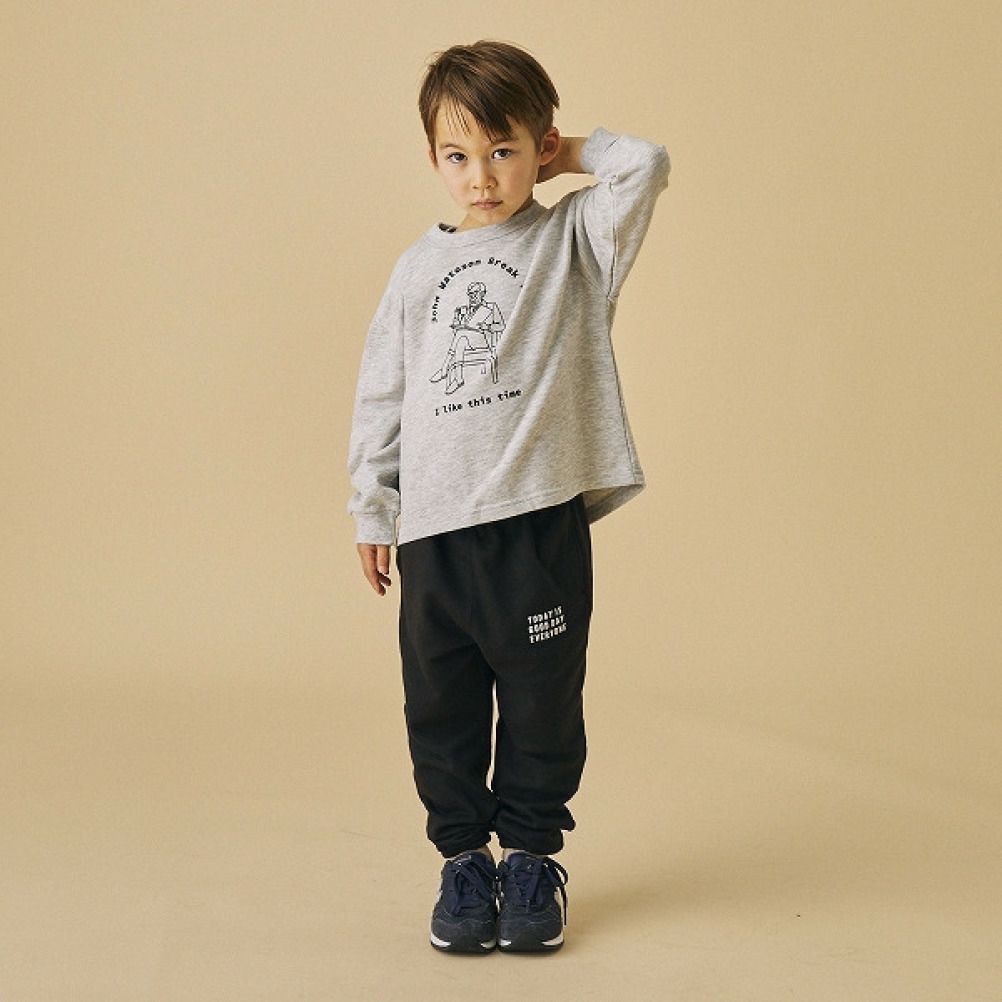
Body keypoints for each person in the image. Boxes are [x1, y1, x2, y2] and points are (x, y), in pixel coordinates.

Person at [346, 39, 671, 954]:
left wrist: (569, 156)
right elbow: (381, 394)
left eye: (503, 151)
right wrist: (373, 505)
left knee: (541, 706)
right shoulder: (415, 270)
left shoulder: (576, 241)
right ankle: (463, 862)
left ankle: (529, 859)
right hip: (436, 535)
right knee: (440, 708)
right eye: (458, 156)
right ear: (432, 159)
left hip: (536, 525)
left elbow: (646, 163)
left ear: (540, 147)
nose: (481, 177)